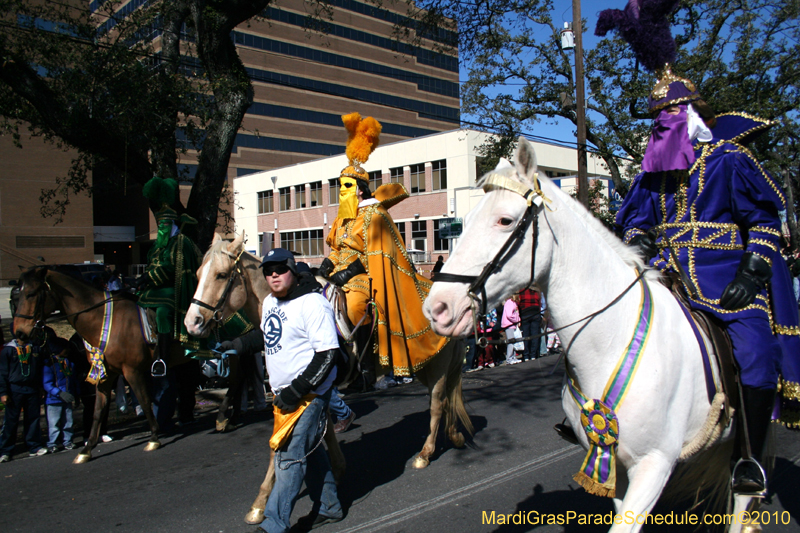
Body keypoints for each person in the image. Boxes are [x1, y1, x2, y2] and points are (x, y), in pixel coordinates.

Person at [599, 1, 800, 494]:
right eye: (655, 117)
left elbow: (763, 221)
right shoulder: (652, 175)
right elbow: (636, 227)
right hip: (670, 277)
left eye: (667, 113)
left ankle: (749, 456)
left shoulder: (729, 160)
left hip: (727, 277)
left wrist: (752, 271)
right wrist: (637, 243)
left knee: (754, 352)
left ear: (688, 115)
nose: (659, 123)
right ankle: (596, 424)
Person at [317, 113, 448, 384]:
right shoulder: (341, 218)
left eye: (346, 187)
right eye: (340, 186)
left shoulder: (374, 215)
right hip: (336, 275)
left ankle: (365, 367)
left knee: (354, 307)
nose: (341, 192)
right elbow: (335, 249)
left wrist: (349, 272)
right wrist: (326, 266)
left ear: (361, 190)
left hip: (363, 278)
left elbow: (377, 256)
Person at [257, 248, 343, 532]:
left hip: (309, 396)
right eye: (268, 271)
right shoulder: (269, 302)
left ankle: (273, 524)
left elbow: (328, 353)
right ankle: (330, 507)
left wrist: (297, 390)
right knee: (312, 452)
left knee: (288, 457)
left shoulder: (313, 304)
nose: (273, 275)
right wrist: (237, 345)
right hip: (284, 395)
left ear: (293, 271)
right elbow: (267, 334)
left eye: (280, 269)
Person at [134, 175, 202, 377]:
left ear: (171, 223)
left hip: (173, 290)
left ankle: (162, 358)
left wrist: (147, 278)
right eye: (160, 224)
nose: (162, 228)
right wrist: (141, 280)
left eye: (165, 225)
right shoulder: (156, 246)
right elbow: (151, 263)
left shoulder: (180, 242)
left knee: (163, 313)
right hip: (151, 290)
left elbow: (171, 268)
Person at [0, 332, 47, 461]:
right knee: (11, 421)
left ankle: (34, 446)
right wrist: (3, 393)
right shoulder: (8, 350)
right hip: (14, 390)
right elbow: (2, 373)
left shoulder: (34, 348)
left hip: (31, 389)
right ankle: (5, 450)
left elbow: (38, 369)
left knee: (33, 419)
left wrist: (40, 387)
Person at [42, 336, 79, 453]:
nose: (67, 350)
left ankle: (67, 441)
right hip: (54, 400)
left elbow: (73, 380)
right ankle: (52, 443)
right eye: (65, 348)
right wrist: (59, 393)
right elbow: (47, 384)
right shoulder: (50, 364)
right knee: (54, 423)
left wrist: (76, 395)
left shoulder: (69, 363)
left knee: (68, 421)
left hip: (67, 398)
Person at [517, 287, 542, 361]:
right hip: (535, 312)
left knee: (526, 335)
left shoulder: (522, 290)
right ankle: (533, 354)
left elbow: (519, 302)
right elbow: (539, 303)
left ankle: (526, 355)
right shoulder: (537, 291)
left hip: (525, 313)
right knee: (535, 335)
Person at [501, 297, 522, 365]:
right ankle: (509, 358)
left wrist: (518, 320)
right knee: (511, 342)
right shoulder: (509, 302)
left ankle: (513, 357)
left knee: (514, 341)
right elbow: (509, 315)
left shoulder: (514, 303)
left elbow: (516, 313)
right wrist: (516, 320)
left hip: (513, 324)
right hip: (509, 324)